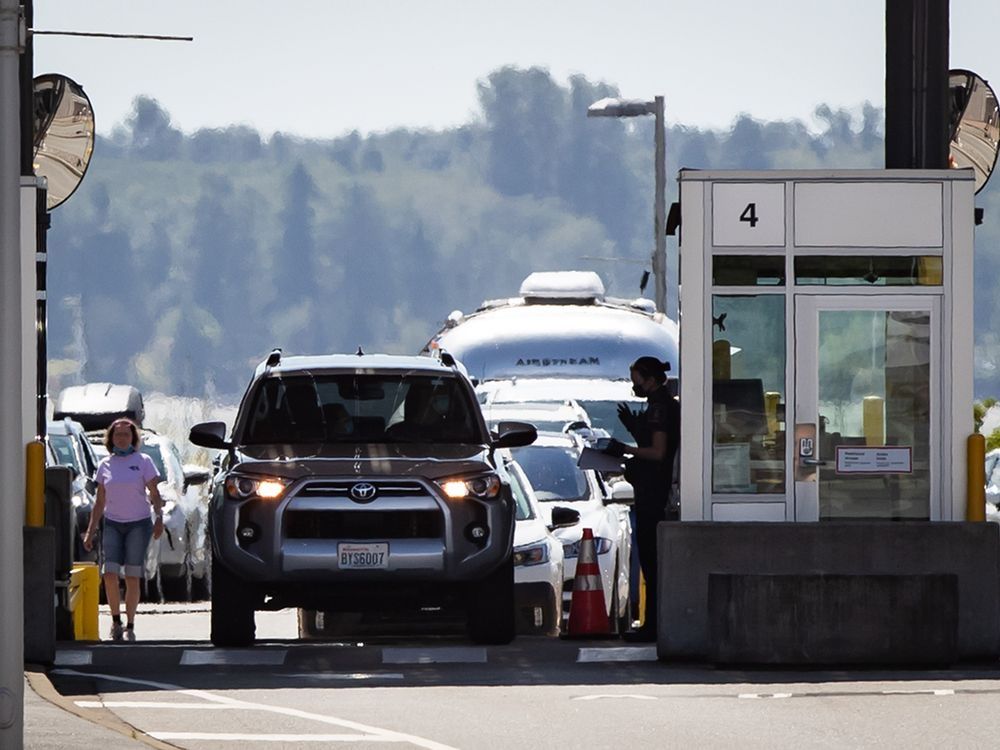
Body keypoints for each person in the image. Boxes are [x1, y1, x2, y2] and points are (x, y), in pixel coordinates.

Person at [602, 356, 680, 642]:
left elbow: (658, 452)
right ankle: (652, 625)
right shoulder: (660, 405)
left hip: (654, 494)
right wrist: (634, 429)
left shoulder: (660, 408)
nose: (634, 387)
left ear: (650, 379)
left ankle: (653, 626)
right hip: (651, 490)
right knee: (650, 559)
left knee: (651, 559)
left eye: (637, 381)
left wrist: (622, 448)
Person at [82, 418, 164, 642]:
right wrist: (90, 531)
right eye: (117, 435)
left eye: (126, 435)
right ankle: (116, 621)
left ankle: (130, 624)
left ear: (133, 438)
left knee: (132, 574)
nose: (122, 439)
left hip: (138, 523)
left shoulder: (143, 461)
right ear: (111, 439)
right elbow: (99, 502)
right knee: (109, 573)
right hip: (113, 523)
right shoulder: (105, 465)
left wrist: (159, 518)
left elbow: (155, 494)